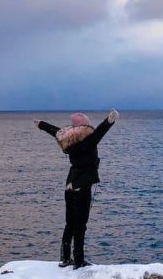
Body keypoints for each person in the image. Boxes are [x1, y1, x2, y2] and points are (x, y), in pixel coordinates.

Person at [33, 109, 119, 269]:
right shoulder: (89, 139)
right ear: (85, 125)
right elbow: (100, 131)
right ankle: (78, 261)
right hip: (82, 185)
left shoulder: (67, 139)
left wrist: (41, 124)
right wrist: (110, 120)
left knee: (70, 224)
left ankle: (65, 258)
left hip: (70, 185)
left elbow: (55, 131)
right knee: (80, 225)